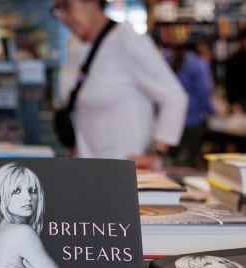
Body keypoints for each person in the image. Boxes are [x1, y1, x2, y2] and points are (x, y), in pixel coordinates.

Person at [53, 0, 187, 159]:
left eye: (66, 6)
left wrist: (155, 151)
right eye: (56, 10)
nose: (61, 16)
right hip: (89, 167)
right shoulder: (74, 44)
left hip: (126, 170)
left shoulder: (127, 40)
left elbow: (174, 98)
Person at [163, 41, 216, 167]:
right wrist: (213, 111)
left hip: (168, 120)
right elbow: (204, 94)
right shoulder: (199, 65)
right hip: (192, 122)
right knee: (185, 164)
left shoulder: (164, 59)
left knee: (169, 162)